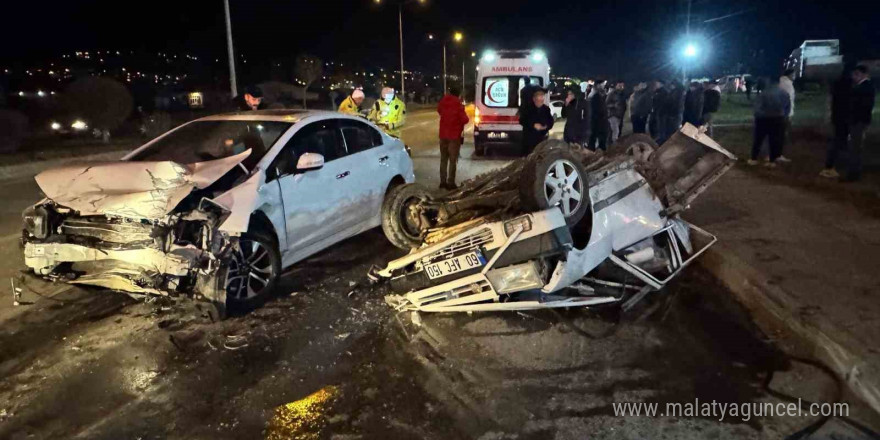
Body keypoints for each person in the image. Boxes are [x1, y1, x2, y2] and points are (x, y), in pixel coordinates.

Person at [841, 65, 875, 182]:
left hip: (858, 122)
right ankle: (853, 172)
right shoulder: (865, 87)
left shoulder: (864, 88)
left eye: (856, 74)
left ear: (863, 75)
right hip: (859, 121)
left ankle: (853, 174)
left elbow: (861, 107)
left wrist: (853, 118)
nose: (854, 77)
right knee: (855, 147)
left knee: (855, 148)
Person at [747, 77, 791, 167]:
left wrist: (758, 116)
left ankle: (754, 158)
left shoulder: (764, 93)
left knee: (759, 139)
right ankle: (772, 160)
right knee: (774, 140)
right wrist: (783, 115)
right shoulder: (784, 93)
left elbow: (757, 108)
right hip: (778, 118)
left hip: (763, 119)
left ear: (769, 82)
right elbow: (787, 107)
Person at [820, 70, 853, 178]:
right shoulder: (849, 86)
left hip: (837, 117)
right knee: (839, 141)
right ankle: (830, 167)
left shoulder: (837, 84)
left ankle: (834, 165)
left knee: (839, 141)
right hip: (844, 118)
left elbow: (832, 101)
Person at [436, 85, 469, 190]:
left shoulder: (443, 101)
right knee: (452, 160)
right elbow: (465, 119)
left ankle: (442, 182)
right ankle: (451, 183)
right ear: (458, 94)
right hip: (454, 136)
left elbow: (439, 111)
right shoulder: (458, 104)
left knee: (443, 159)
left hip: (443, 135)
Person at [518, 86, 554, 155]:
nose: (542, 98)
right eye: (540, 96)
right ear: (534, 98)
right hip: (529, 142)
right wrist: (533, 125)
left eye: (542, 96)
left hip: (542, 141)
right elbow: (522, 120)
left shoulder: (546, 109)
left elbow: (551, 122)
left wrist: (545, 127)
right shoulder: (527, 108)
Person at [777, 68, 796, 162]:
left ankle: (775, 153)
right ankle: (778, 154)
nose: (795, 76)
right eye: (794, 74)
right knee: (782, 134)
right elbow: (788, 100)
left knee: (780, 134)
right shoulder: (787, 84)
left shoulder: (782, 82)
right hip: (784, 113)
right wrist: (788, 113)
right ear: (789, 75)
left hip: (780, 113)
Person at [588, 79, 609, 151]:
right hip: (597, 121)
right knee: (595, 139)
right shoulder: (595, 96)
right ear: (598, 85)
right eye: (602, 85)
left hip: (599, 121)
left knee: (597, 139)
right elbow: (597, 109)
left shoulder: (599, 95)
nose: (604, 86)